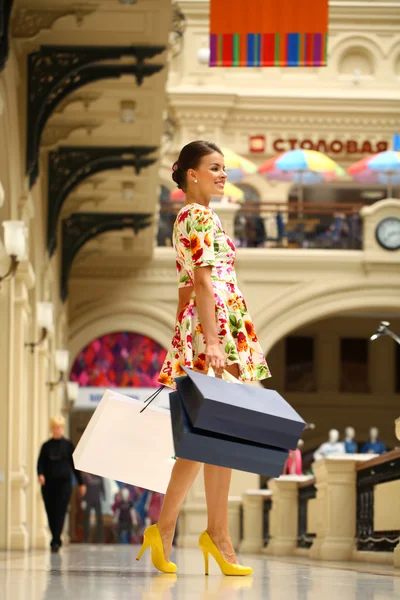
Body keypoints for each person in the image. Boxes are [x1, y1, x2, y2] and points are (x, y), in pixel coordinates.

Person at [136, 141, 271, 576]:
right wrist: (210, 341)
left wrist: (185, 337)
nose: (222, 174)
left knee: (216, 437)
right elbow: (203, 285)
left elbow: (184, 291)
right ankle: (184, 529)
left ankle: (198, 531)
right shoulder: (197, 215)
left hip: (209, 330)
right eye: (214, 167)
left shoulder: (191, 218)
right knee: (208, 436)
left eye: (224, 168)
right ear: (191, 174)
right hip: (214, 333)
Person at [37, 416, 86, 553]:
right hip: (48, 485)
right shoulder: (46, 446)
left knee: (61, 511)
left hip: (64, 485)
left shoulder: (68, 445)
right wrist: (40, 474)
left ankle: (56, 540)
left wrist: (81, 483)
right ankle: (55, 537)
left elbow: (74, 465)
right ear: (51, 429)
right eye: (54, 427)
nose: (56, 430)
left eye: (59, 427)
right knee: (51, 512)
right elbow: (40, 463)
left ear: (62, 429)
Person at [82, 473, 105, 543]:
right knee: (86, 520)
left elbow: (102, 488)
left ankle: (100, 539)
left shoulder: (100, 477)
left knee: (99, 520)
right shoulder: (86, 476)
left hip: (97, 500)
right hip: (88, 499)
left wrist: (104, 498)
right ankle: (86, 539)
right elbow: (83, 488)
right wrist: (83, 500)